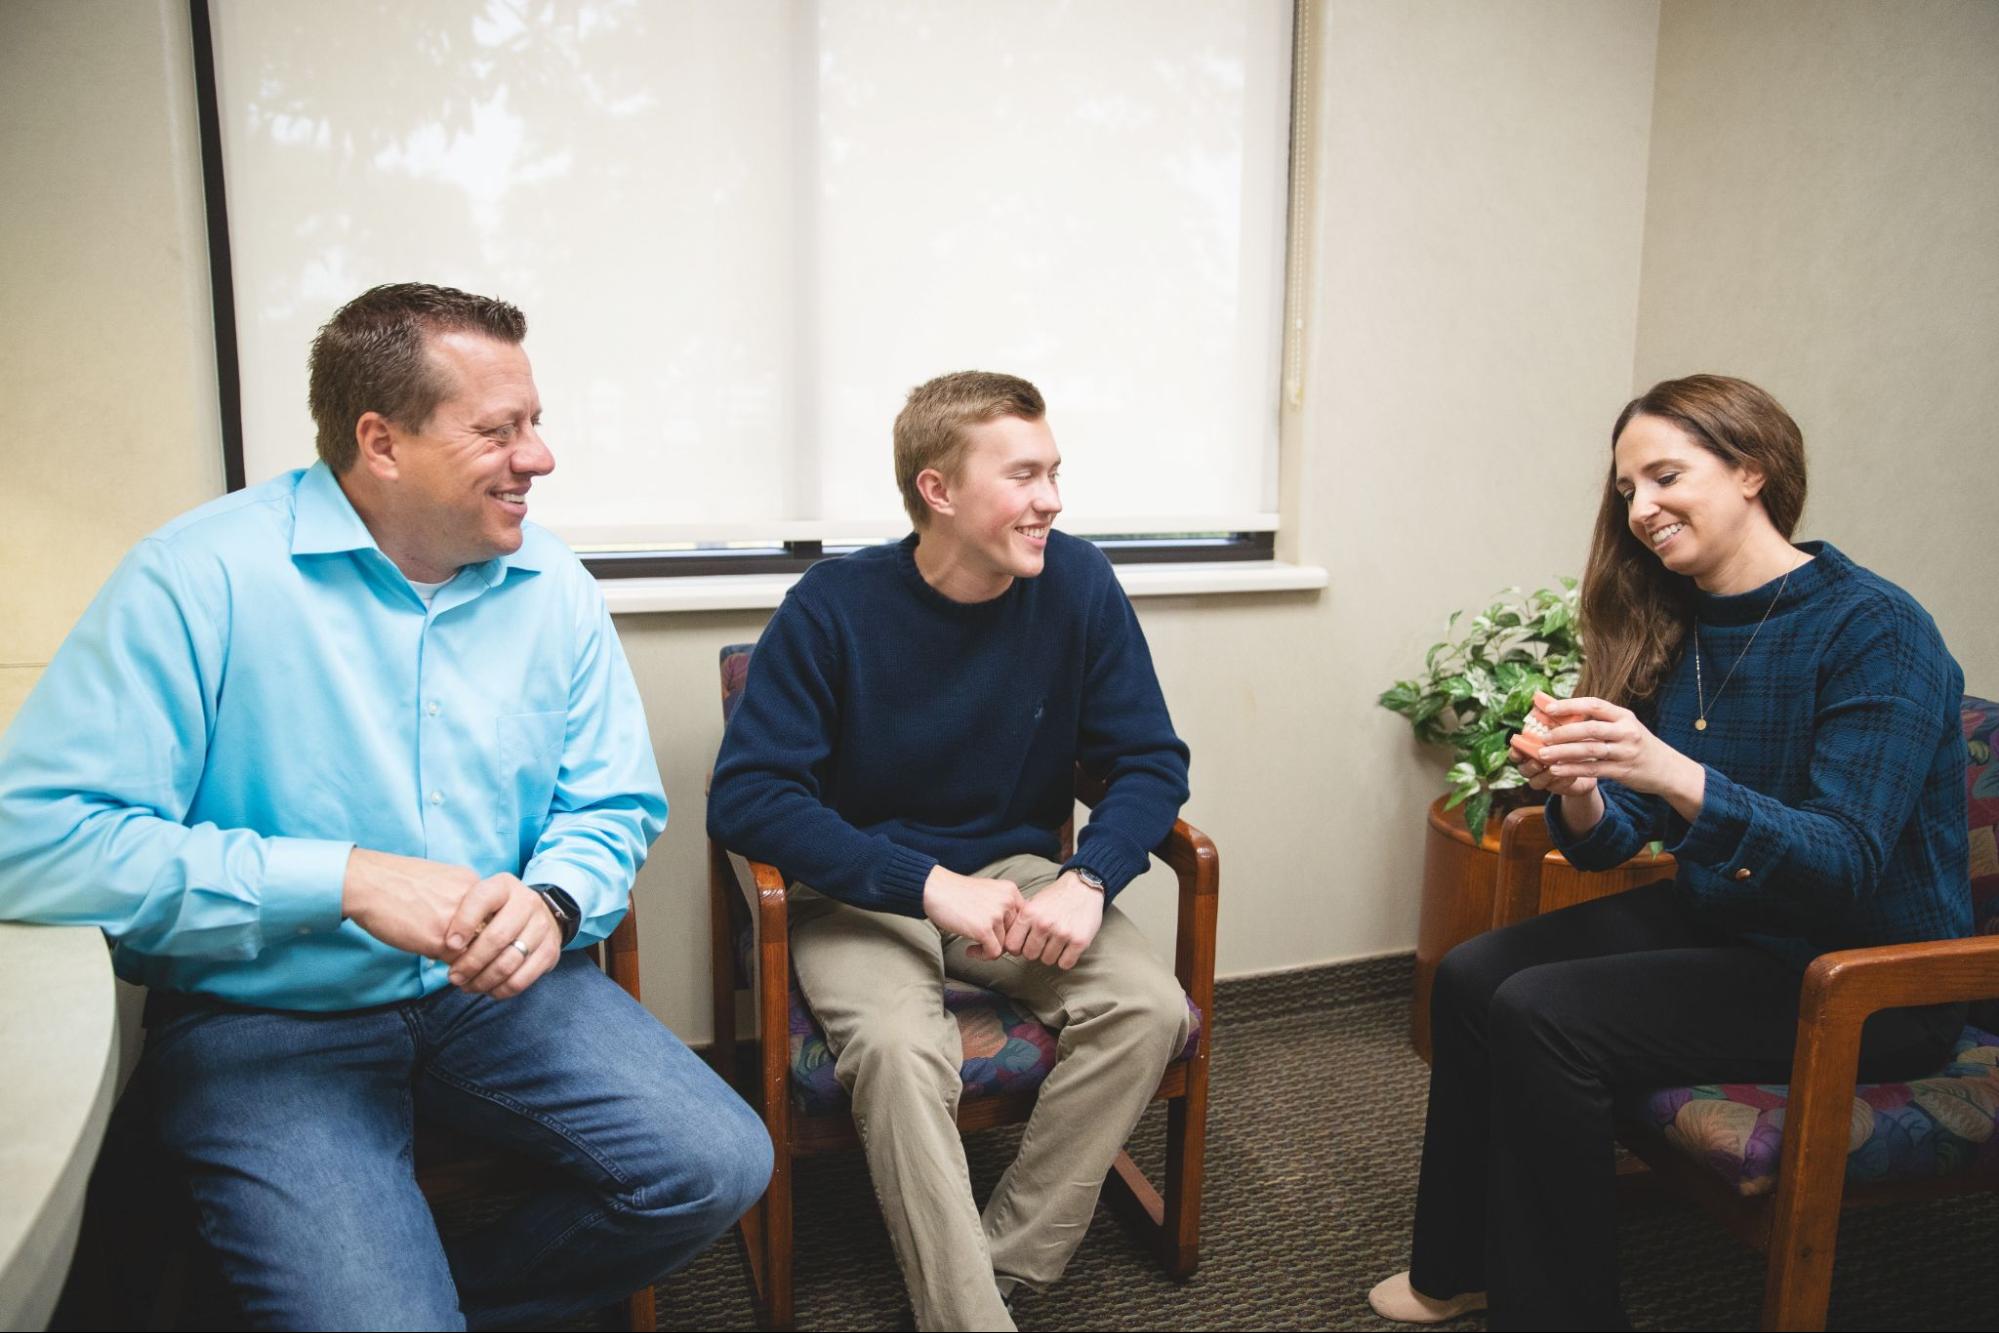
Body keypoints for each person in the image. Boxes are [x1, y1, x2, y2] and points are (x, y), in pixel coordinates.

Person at [0, 283, 770, 1329]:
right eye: (500, 430)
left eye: (535, 422)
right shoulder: (198, 578)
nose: (538, 456)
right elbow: (37, 843)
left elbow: (612, 804)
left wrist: (550, 901)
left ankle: (446, 1301)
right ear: (382, 441)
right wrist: (342, 880)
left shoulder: (553, 585)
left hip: (498, 997)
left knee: (718, 1165)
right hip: (265, 1015)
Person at [1370, 374, 1970, 1330]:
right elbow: (1614, 845)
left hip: (1866, 972)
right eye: (1624, 489)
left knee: (1546, 1014)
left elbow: (1845, 860)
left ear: (1750, 470)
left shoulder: (1876, 629)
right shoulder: (1677, 618)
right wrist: (1578, 785)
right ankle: (1459, 1264)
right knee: (1474, 974)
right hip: (1732, 921)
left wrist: (1666, 768)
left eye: (1663, 477)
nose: (1640, 510)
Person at [706, 370, 1194, 1332]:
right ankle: (967, 1320)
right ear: (938, 491)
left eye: (1054, 472)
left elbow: (1149, 759)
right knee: (894, 1049)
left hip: (1014, 878)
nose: (1050, 498)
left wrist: (1090, 878)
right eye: (1023, 476)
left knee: (1145, 1005)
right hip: (860, 887)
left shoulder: (1078, 584)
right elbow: (748, 797)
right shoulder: (833, 605)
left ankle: (992, 1267)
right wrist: (923, 885)